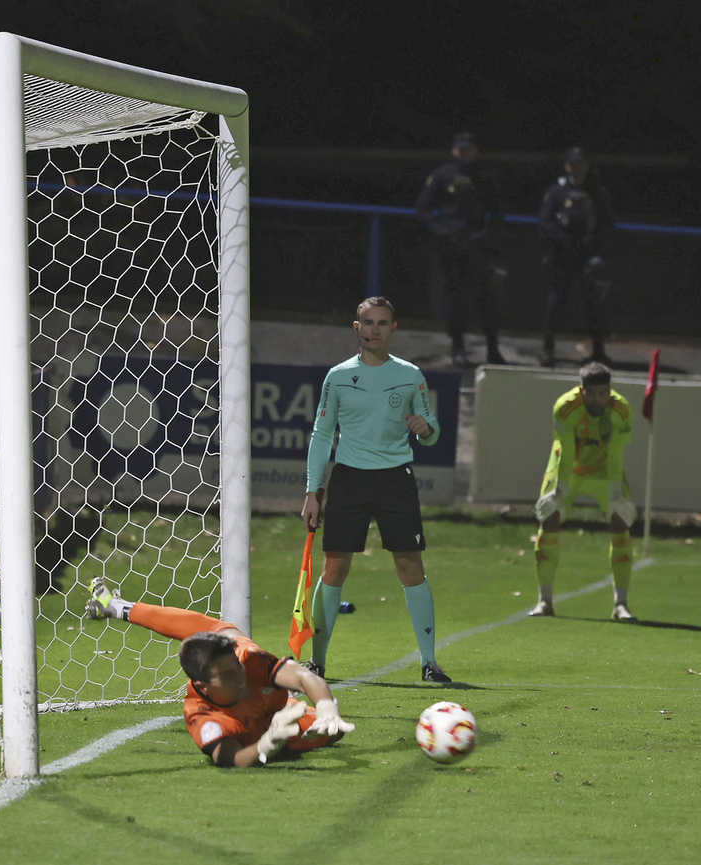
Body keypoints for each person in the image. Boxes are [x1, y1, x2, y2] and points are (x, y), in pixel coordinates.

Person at [300, 296, 452, 682]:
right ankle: (317, 663)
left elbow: (432, 432)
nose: (374, 330)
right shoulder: (336, 377)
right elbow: (321, 435)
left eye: (382, 323)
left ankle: (429, 663)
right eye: (368, 323)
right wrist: (312, 491)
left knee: (410, 566)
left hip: (394, 479)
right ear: (356, 327)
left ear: (393, 329)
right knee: (335, 567)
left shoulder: (411, 374)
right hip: (349, 478)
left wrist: (425, 429)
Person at [85, 577, 355, 768]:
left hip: (271, 700)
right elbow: (233, 759)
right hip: (263, 727)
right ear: (203, 687)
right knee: (323, 736)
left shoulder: (248, 661)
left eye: (236, 668)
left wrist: (326, 709)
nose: (240, 676)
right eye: (227, 676)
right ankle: (118, 607)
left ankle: (119, 608)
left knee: (227, 633)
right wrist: (268, 745)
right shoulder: (202, 715)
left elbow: (306, 677)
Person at [530, 361, 638, 621]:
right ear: (582, 391)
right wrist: (559, 492)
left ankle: (621, 605)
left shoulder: (621, 410)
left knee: (619, 523)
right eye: (593, 394)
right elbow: (566, 451)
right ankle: (544, 601)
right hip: (569, 470)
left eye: (604, 394)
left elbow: (615, 453)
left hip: (604, 471)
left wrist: (615, 494)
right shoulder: (565, 408)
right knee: (550, 520)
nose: (599, 400)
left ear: (610, 390)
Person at [415, 131, 506, 367]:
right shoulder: (442, 175)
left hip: (477, 244)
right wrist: (443, 232)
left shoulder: (484, 176)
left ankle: (493, 349)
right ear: (454, 151)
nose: (465, 153)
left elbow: (496, 212)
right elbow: (423, 209)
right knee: (456, 300)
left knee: (486, 297)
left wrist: (483, 235)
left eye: (469, 149)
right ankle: (458, 348)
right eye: (461, 149)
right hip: (451, 246)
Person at [537, 146, 616, 367]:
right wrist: (563, 241)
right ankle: (547, 349)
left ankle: (598, 350)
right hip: (562, 256)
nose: (577, 168)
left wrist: (593, 244)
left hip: (588, 257)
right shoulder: (556, 193)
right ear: (566, 166)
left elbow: (607, 224)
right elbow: (545, 223)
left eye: (581, 164)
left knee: (594, 305)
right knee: (555, 304)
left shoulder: (598, 192)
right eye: (573, 164)